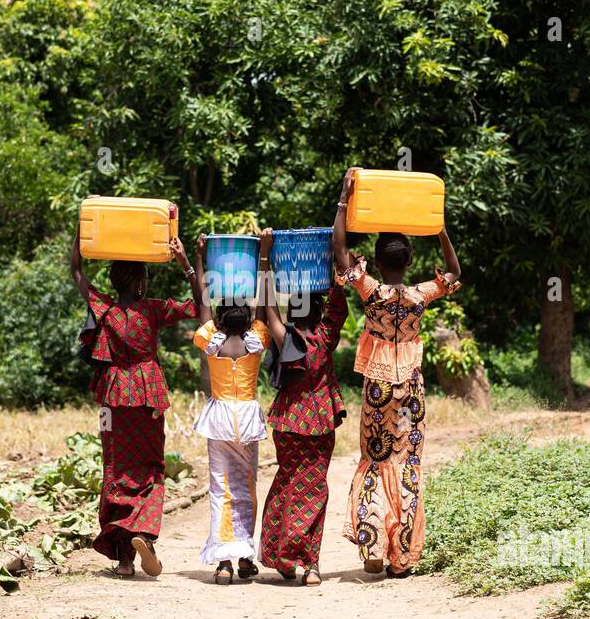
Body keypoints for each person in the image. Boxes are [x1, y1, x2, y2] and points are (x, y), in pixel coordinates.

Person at [332, 168, 461, 577]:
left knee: (375, 458)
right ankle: (401, 555)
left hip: (378, 389)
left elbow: (338, 251)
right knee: (406, 463)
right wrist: (438, 229)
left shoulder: (372, 291)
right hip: (410, 390)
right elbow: (455, 273)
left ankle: (371, 539)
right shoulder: (420, 294)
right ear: (408, 261)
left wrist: (343, 198)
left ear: (380, 260)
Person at [70, 224, 201, 579]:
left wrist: (84, 229)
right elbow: (200, 306)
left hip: (111, 398)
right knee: (151, 466)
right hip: (147, 394)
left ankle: (125, 559)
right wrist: (188, 263)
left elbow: (76, 270)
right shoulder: (153, 309)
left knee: (115, 467)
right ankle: (142, 531)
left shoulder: (105, 309)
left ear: (113, 281)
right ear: (141, 284)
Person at [256, 228, 347, 586]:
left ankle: (284, 556)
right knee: (316, 486)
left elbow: (267, 305)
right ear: (320, 307)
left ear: (294, 308)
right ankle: (310, 563)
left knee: (288, 480)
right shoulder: (326, 337)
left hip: (289, 421)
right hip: (321, 419)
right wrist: (341, 268)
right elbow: (339, 303)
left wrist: (265, 258)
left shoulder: (286, 337)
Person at [191, 233, 272, 585]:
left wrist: (201, 259)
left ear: (221, 318)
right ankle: (244, 557)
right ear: (249, 316)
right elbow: (264, 302)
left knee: (219, 488)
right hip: (247, 417)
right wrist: (264, 259)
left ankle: (223, 561)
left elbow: (203, 303)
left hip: (220, 417)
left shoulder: (212, 341)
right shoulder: (257, 339)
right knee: (246, 487)